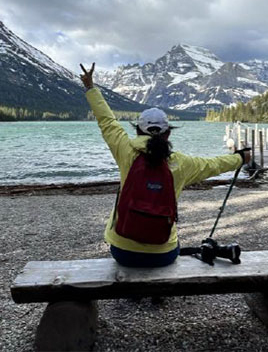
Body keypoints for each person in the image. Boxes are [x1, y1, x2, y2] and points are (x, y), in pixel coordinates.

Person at [80, 63, 250, 268]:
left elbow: (107, 121)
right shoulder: (181, 163)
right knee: (174, 246)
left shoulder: (125, 151)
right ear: (168, 133)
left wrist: (91, 87)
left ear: (138, 132)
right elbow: (214, 164)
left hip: (122, 252)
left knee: (125, 246)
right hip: (162, 255)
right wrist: (240, 158)